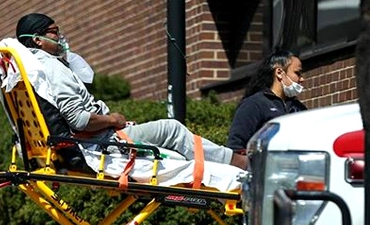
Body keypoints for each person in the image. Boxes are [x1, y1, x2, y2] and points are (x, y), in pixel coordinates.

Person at [14, 13, 249, 170]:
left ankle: (221, 163)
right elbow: (79, 119)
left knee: (170, 145)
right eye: (54, 31)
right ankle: (237, 162)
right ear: (37, 40)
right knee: (173, 129)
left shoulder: (31, 71)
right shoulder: (52, 67)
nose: (60, 36)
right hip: (101, 144)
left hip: (92, 141)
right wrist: (112, 120)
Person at [226, 50, 307, 152]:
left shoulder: (299, 108)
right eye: (297, 73)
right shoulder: (254, 105)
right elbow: (236, 146)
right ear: (279, 73)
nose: (302, 79)